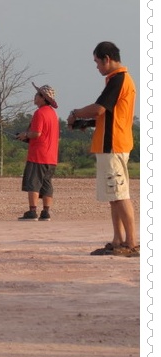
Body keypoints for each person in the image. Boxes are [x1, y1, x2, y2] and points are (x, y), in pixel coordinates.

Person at [67, 41, 137, 255]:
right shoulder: (116, 80)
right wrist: (86, 123)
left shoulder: (119, 79)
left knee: (120, 194)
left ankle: (131, 243)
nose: (96, 66)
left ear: (107, 59)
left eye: (97, 62)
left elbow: (98, 109)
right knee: (114, 195)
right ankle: (118, 240)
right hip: (112, 144)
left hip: (114, 145)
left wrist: (76, 113)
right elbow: (106, 115)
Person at [17, 83, 60, 221]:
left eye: (37, 95)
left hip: (38, 154)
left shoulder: (39, 113)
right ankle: (46, 212)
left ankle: (32, 211)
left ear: (42, 98)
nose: (34, 97)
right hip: (51, 156)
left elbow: (36, 133)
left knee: (33, 183)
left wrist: (24, 135)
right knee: (46, 183)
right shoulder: (53, 114)